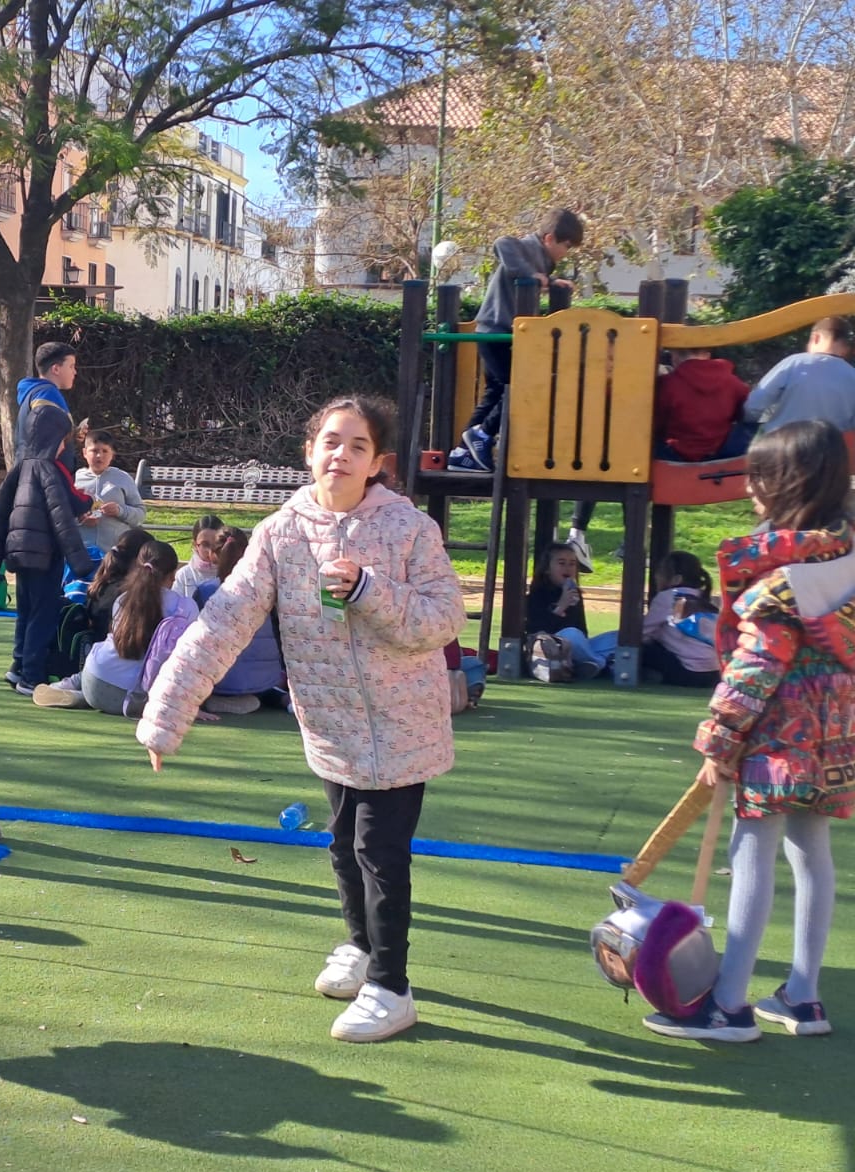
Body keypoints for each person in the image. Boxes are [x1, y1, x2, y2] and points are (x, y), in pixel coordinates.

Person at [137, 395, 466, 1042]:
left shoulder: (410, 529)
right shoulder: (281, 533)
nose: (341, 455)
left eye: (358, 446)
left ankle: (391, 988)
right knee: (343, 843)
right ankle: (361, 945)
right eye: (331, 442)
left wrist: (371, 590)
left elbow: (443, 618)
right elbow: (223, 622)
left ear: (377, 463)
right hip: (331, 722)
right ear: (310, 452)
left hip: (403, 725)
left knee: (378, 850)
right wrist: (166, 712)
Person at [644, 420, 855, 1042]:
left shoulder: (781, 577)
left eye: (761, 477)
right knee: (812, 849)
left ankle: (728, 1004)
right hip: (836, 736)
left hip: (776, 733)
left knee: (752, 847)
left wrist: (720, 739)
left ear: (789, 485)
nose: (750, 489)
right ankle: (803, 995)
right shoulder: (846, 558)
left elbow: (754, 667)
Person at [564, 344, 754, 570]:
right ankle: (629, 542)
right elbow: (747, 411)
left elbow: (656, 423)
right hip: (716, 456)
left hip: (673, 455)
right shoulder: (731, 382)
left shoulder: (669, 384)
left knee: (625, 456)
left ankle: (603, 536)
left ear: (674, 356)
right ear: (707, 354)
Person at [448, 209, 584, 473]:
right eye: (566, 246)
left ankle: (462, 453)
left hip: (498, 330)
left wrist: (551, 281)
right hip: (497, 330)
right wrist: (532, 274)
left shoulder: (541, 259)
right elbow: (502, 243)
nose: (566, 253)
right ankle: (482, 434)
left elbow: (534, 277)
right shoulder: (526, 248)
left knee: (496, 391)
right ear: (549, 238)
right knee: (520, 386)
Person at [0, 394, 95, 696]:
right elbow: (68, 504)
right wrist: (90, 501)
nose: (63, 447)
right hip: (44, 552)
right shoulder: (51, 469)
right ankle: (31, 675)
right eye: (63, 441)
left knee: (26, 609)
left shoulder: (21, 467)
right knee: (44, 612)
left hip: (19, 549)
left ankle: (18, 664)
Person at [31, 529, 154, 709]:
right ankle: (82, 695)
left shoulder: (100, 584)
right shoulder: (130, 596)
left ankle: (68, 686)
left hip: (91, 658)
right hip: (113, 658)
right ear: (139, 562)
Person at [77, 539, 199, 715]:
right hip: (134, 695)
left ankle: (76, 689)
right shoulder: (185, 607)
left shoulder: (122, 599)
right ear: (173, 575)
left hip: (93, 678)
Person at [192, 527, 287, 715]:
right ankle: (279, 698)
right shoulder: (264, 589)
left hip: (221, 678)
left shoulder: (205, 591)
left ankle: (219, 698)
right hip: (265, 677)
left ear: (213, 555)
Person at [742, 316, 855, 435]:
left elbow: (754, 404)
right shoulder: (852, 375)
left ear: (816, 338)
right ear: (846, 347)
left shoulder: (794, 363)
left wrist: (747, 421)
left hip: (782, 441)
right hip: (831, 444)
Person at [525, 542, 617, 679]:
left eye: (572, 564)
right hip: (554, 647)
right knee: (571, 633)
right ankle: (601, 665)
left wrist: (572, 607)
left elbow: (582, 631)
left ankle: (586, 663)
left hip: (578, 647)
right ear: (547, 569)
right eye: (562, 563)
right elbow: (538, 630)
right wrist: (560, 607)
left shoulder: (574, 593)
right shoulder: (537, 594)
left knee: (618, 637)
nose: (568, 568)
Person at [641, 551, 721, 688]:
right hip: (714, 673)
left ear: (676, 579)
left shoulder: (667, 597)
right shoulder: (705, 599)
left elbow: (642, 633)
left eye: (660, 573)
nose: (656, 577)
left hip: (688, 672)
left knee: (636, 647)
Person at [74, 429, 147, 552]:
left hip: (116, 551)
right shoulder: (75, 479)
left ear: (112, 454)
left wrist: (120, 511)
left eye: (105, 451)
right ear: (85, 452)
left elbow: (140, 515)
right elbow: (62, 514)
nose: (99, 456)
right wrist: (80, 520)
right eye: (94, 451)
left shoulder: (123, 478)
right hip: (82, 550)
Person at [14, 341, 80, 466]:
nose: (74, 372)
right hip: (46, 473)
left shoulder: (34, 392)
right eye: (71, 366)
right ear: (56, 369)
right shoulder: (47, 394)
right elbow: (47, 442)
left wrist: (73, 435)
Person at [171, 514, 225, 598]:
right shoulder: (184, 575)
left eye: (216, 543)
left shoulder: (233, 573)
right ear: (195, 545)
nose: (211, 550)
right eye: (205, 544)